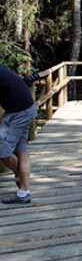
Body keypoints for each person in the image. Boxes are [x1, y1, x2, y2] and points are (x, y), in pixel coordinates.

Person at [0, 64, 39, 204]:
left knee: (2, 153)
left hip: (19, 113)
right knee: (20, 150)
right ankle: (23, 191)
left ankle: (21, 178)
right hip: (26, 108)